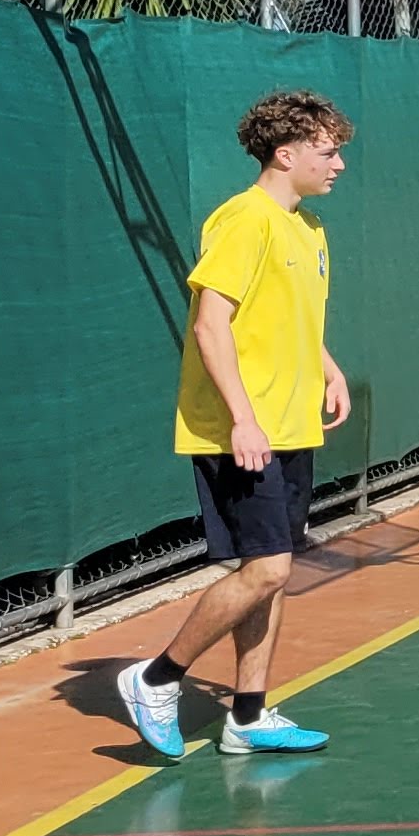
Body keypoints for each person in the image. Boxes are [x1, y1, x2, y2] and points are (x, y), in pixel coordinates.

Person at [115, 91, 353, 760]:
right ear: (287, 152)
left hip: (290, 423)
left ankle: (248, 716)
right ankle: (155, 679)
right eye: (328, 152)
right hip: (240, 430)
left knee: (269, 568)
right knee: (268, 570)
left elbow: (285, 318)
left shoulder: (307, 229)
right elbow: (210, 323)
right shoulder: (244, 220)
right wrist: (243, 421)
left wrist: (327, 368)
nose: (338, 165)